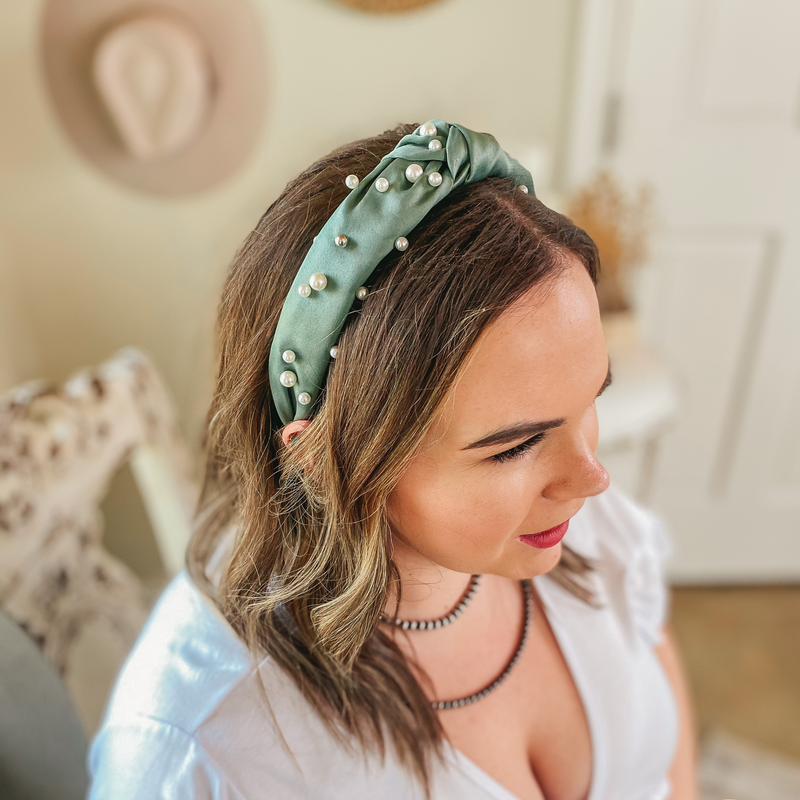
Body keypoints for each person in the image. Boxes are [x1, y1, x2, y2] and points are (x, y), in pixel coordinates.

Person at [87, 121, 698, 799]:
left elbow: (650, 651)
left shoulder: (572, 522)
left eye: (590, 399)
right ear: (326, 462)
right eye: (516, 446)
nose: (592, 477)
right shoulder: (202, 755)